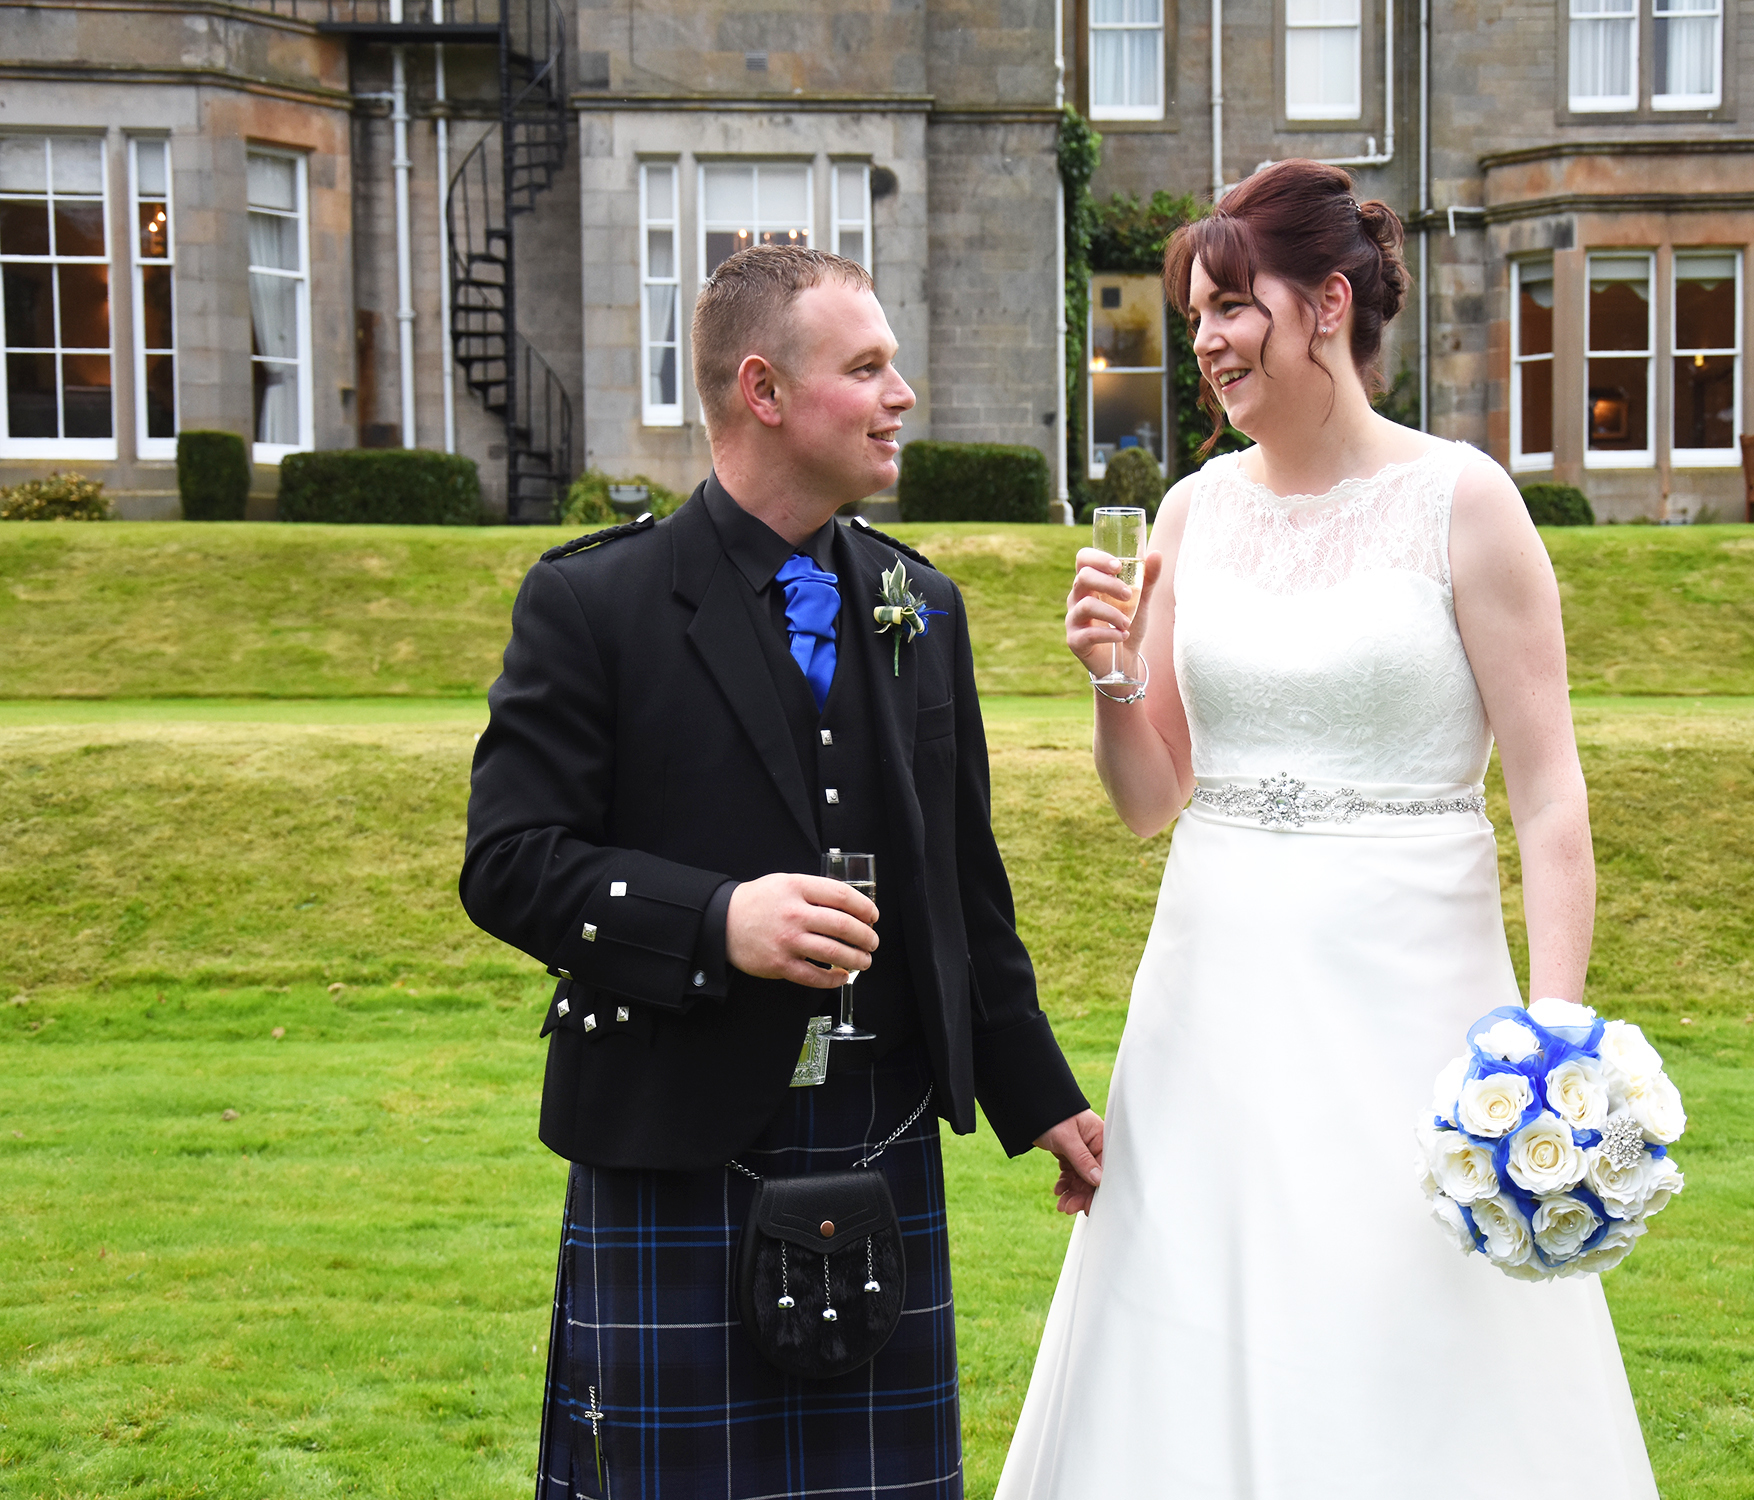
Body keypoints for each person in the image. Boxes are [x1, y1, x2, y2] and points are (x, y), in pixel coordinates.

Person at [995, 162, 1659, 1497]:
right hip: (1212, 995)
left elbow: (1550, 794)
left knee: (1402, 1321)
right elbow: (1149, 801)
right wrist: (1111, 676)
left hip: (1409, 994)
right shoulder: (1190, 514)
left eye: (1233, 307)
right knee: (1194, 1312)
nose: (1209, 343)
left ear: (1329, 304)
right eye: (1196, 318)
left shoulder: (1464, 504)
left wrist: (1551, 1038)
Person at [460, 243, 1104, 1500]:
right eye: (865, 368)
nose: (901, 393)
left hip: (883, 1140)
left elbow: (961, 884)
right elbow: (509, 863)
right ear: (762, 390)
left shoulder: (923, 606)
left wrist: (1042, 1102)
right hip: (677, 1144)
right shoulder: (598, 604)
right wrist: (717, 920)